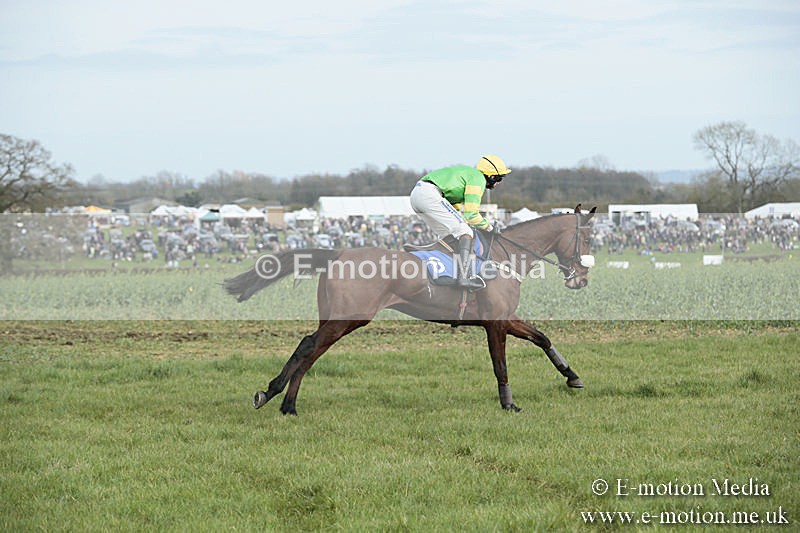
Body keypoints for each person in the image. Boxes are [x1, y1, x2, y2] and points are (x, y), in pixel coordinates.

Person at [409, 154, 510, 288]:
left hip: (418, 195)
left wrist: (464, 221)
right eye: (499, 178)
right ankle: (464, 277)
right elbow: (471, 215)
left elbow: (455, 209)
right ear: (492, 176)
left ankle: (445, 273)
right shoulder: (478, 178)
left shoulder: (469, 175)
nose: (499, 183)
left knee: (449, 235)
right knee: (465, 231)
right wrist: (490, 228)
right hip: (429, 194)